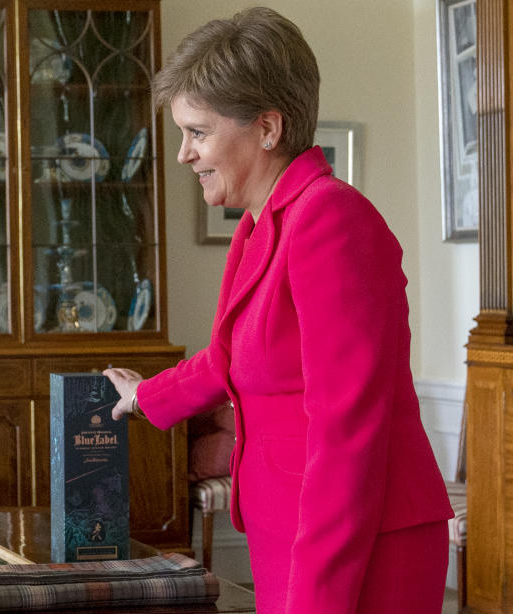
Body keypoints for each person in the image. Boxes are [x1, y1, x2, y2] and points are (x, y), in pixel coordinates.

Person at [104, 8, 453, 613]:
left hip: (357, 540)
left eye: (198, 132)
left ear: (267, 127)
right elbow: (227, 359)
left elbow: (348, 432)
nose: (184, 154)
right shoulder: (259, 225)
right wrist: (145, 397)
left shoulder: (331, 219)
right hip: (286, 526)